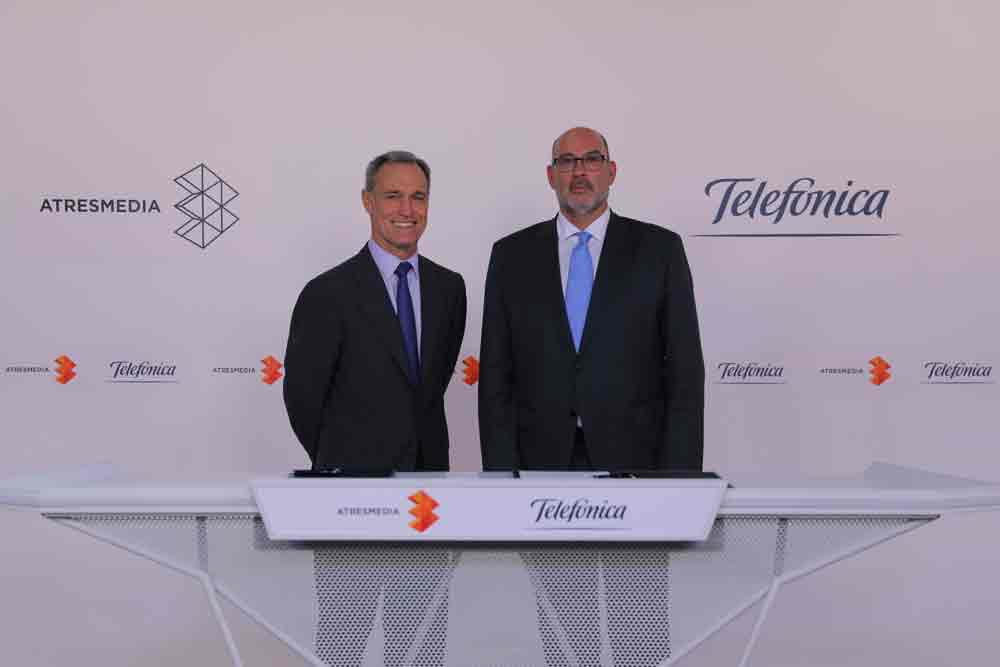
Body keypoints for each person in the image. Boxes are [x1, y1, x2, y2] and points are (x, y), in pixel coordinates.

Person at [478, 126, 705, 472]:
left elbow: (684, 371)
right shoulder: (511, 255)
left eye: (592, 160)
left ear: (611, 172)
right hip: (537, 462)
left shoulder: (660, 251)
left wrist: (680, 476)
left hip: (636, 460)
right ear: (551, 175)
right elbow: (496, 377)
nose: (579, 171)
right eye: (567, 161)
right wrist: (501, 474)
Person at [284, 150, 467, 472]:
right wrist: (340, 461)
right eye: (393, 196)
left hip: (430, 480)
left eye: (418, 197)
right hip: (352, 481)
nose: (407, 209)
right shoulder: (326, 293)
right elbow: (303, 400)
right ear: (368, 201)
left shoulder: (449, 289)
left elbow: (432, 386)